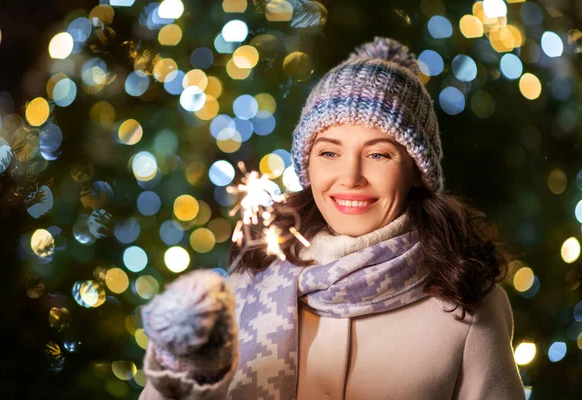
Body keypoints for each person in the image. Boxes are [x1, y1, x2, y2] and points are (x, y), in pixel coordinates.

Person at [139, 37, 527, 400]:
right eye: (329, 153)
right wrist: (183, 369)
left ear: (415, 171)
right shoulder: (254, 274)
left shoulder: (468, 301)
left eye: (378, 154)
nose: (350, 177)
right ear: (308, 164)